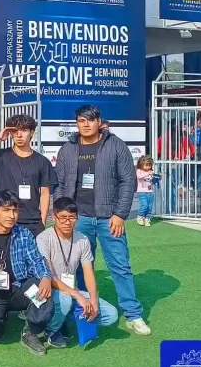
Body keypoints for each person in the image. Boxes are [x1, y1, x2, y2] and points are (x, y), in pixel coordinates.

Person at [54, 105, 151, 336]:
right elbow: (59, 183)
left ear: (99, 122)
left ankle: (133, 314)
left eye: (90, 120)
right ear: (77, 123)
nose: (86, 124)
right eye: (81, 121)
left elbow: (128, 181)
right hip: (78, 218)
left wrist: (120, 214)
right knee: (76, 267)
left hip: (109, 219)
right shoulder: (68, 148)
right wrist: (63, 214)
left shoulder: (116, 145)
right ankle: (80, 311)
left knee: (120, 266)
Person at [0, 190, 54, 355]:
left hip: (18, 289)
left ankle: (31, 332)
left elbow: (36, 260)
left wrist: (46, 277)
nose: (11, 216)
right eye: (6, 210)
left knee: (43, 292)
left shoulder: (23, 234)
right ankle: (0, 316)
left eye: (15, 210)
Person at [36, 197, 118, 348]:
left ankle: (63, 319)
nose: (67, 222)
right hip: (46, 290)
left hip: (70, 291)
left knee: (111, 315)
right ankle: (50, 330)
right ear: (54, 217)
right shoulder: (43, 238)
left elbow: (88, 273)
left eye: (72, 217)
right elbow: (48, 276)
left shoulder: (82, 239)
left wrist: (93, 299)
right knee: (66, 300)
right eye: (63, 217)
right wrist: (78, 295)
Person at [0, 113, 56, 236]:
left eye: (24, 130)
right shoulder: (2, 156)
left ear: (32, 132)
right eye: (15, 131)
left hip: (32, 221)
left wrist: (43, 221)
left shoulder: (42, 161)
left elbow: (45, 193)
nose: (19, 135)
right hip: (5, 218)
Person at [135, 155, 157, 226]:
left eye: (150, 165)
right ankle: (140, 216)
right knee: (144, 205)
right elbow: (139, 176)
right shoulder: (139, 171)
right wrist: (148, 173)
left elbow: (151, 181)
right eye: (146, 165)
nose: (148, 167)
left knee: (150, 207)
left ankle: (147, 218)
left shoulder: (150, 172)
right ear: (141, 164)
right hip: (142, 192)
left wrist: (156, 178)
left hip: (150, 192)